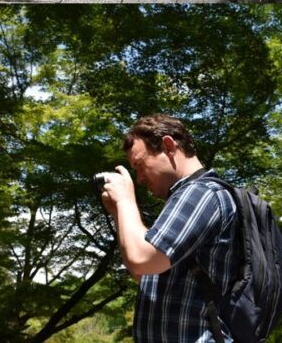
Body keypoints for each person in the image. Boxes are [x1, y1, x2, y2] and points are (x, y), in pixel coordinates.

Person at [99, 114, 240, 343]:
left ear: (168, 146)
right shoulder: (183, 200)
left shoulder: (203, 193)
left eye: (139, 165)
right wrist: (118, 211)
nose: (140, 179)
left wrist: (126, 200)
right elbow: (144, 272)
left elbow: (141, 259)